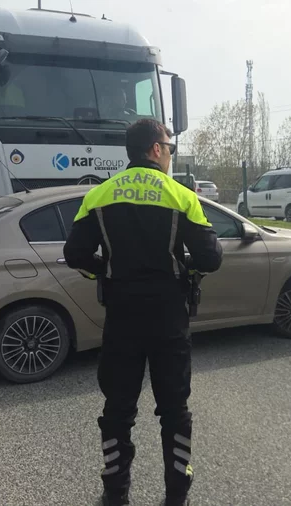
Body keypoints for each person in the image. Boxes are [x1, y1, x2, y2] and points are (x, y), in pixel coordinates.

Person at [63, 119, 223, 506]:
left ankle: (115, 493)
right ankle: (176, 496)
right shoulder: (181, 195)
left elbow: (75, 255)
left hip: (122, 316)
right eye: (169, 147)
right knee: (174, 410)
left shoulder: (99, 195)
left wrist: (105, 270)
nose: (170, 154)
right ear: (155, 149)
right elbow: (211, 258)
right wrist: (185, 266)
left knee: (118, 410)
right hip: (169, 316)